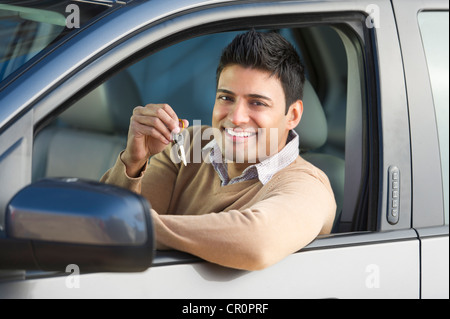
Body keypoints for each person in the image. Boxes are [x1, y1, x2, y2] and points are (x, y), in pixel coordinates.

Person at [101, 30, 336, 271]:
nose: (235, 117)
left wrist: (135, 226)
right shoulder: (190, 144)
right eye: (226, 97)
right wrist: (134, 161)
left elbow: (256, 243)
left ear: (293, 115)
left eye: (257, 103)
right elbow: (106, 226)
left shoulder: (308, 186)